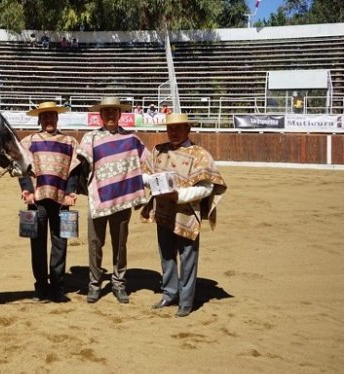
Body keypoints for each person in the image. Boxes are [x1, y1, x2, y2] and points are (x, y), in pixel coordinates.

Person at [141, 113, 227, 317]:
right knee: (167, 255)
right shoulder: (158, 150)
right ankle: (170, 294)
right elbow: (144, 175)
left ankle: (186, 301)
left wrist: (178, 195)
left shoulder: (200, 155)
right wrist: (155, 185)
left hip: (187, 214)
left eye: (179, 128)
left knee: (188, 257)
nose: (174, 132)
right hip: (163, 211)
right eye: (171, 129)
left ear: (188, 129)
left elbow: (207, 188)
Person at [78, 97, 150, 304]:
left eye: (114, 111)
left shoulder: (132, 139)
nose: (110, 115)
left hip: (122, 200)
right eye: (106, 112)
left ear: (120, 114)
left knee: (120, 244)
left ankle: (119, 283)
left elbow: (149, 163)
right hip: (98, 200)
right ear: (100, 115)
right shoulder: (89, 138)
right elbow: (79, 168)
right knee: (94, 244)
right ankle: (94, 284)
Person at [19, 101, 80, 303]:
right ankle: (40, 287)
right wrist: (26, 189)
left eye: (51, 116)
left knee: (60, 244)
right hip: (36, 201)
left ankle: (56, 287)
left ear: (57, 117)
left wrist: (71, 192)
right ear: (39, 119)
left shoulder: (70, 142)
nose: (48, 120)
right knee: (37, 245)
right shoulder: (28, 141)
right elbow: (22, 168)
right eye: (44, 117)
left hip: (62, 200)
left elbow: (74, 171)